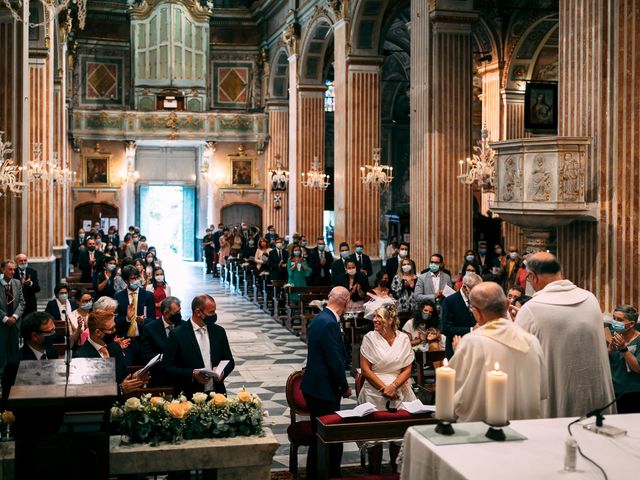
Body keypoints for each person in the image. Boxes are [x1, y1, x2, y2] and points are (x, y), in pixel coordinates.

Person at [515, 252, 615, 418]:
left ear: (533, 276)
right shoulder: (590, 299)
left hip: (556, 399)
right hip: (594, 397)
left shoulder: (532, 309)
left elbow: (517, 358)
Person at [449, 282, 547, 422]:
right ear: (507, 305)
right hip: (525, 427)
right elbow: (542, 390)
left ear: (476, 313)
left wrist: (458, 351)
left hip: (480, 428)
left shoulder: (471, 342)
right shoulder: (531, 341)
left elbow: (453, 391)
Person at [301, 287, 352, 480]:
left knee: (318, 435)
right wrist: (344, 387)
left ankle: (316, 473)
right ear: (345, 302)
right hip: (324, 388)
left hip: (314, 386)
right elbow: (334, 360)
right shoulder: (329, 323)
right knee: (328, 435)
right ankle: (328, 473)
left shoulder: (320, 318)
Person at [358, 302, 415, 473]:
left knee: (398, 434)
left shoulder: (403, 338)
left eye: (379, 317)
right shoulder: (369, 337)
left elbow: (407, 368)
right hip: (374, 391)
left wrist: (395, 385)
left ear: (390, 320)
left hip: (400, 389)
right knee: (374, 436)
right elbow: (365, 369)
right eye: (374, 316)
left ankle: (395, 469)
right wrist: (385, 388)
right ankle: (374, 471)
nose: (374, 320)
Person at [163, 294, 235, 398]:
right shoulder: (177, 334)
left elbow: (230, 361)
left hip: (216, 394)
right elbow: (167, 368)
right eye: (211, 312)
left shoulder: (218, 331)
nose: (214, 315)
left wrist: (222, 372)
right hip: (188, 396)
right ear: (198, 312)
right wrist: (192, 374)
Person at [74, 309, 149, 395]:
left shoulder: (115, 347)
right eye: (111, 329)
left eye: (114, 327)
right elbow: (87, 390)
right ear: (98, 332)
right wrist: (119, 389)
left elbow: (122, 376)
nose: (115, 331)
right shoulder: (81, 356)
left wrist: (134, 378)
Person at [1, 312, 60, 406]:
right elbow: (8, 402)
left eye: (54, 330)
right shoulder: (16, 365)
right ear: (35, 336)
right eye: (50, 332)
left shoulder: (51, 352)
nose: (54, 334)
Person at [114, 265, 156, 365]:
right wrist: (127, 318)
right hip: (126, 342)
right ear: (126, 281)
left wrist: (143, 321)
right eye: (133, 278)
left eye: (137, 277)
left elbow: (153, 321)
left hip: (143, 341)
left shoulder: (148, 296)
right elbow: (115, 322)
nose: (136, 280)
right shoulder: (118, 297)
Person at [141, 296, 185, 387]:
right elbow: (146, 355)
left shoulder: (184, 326)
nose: (179, 314)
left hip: (180, 375)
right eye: (177, 312)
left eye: (180, 311)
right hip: (159, 375)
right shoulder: (150, 329)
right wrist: (164, 357)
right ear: (166, 313)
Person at [440, 273, 483, 359]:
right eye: (475, 290)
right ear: (465, 288)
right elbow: (446, 328)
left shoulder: (479, 299)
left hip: (476, 350)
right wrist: (471, 330)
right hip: (456, 350)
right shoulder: (450, 301)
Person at [607, 305, 640, 413]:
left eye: (620, 320)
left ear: (631, 324)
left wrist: (623, 349)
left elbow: (637, 368)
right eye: (614, 318)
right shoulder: (608, 335)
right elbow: (600, 363)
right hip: (612, 391)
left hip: (633, 392)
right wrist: (609, 351)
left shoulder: (638, 340)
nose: (615, 322)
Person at [0, 259, 25, 379]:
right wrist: (5, 318)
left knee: (13, 351)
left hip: (15, 323)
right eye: (10, 269)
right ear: (2, 270)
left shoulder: (17, 283)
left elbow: (21, 302)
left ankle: (12, 376)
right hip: (1, 324)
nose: (13, 271)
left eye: (14, 269)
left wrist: (14, 317)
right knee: (1, 351)